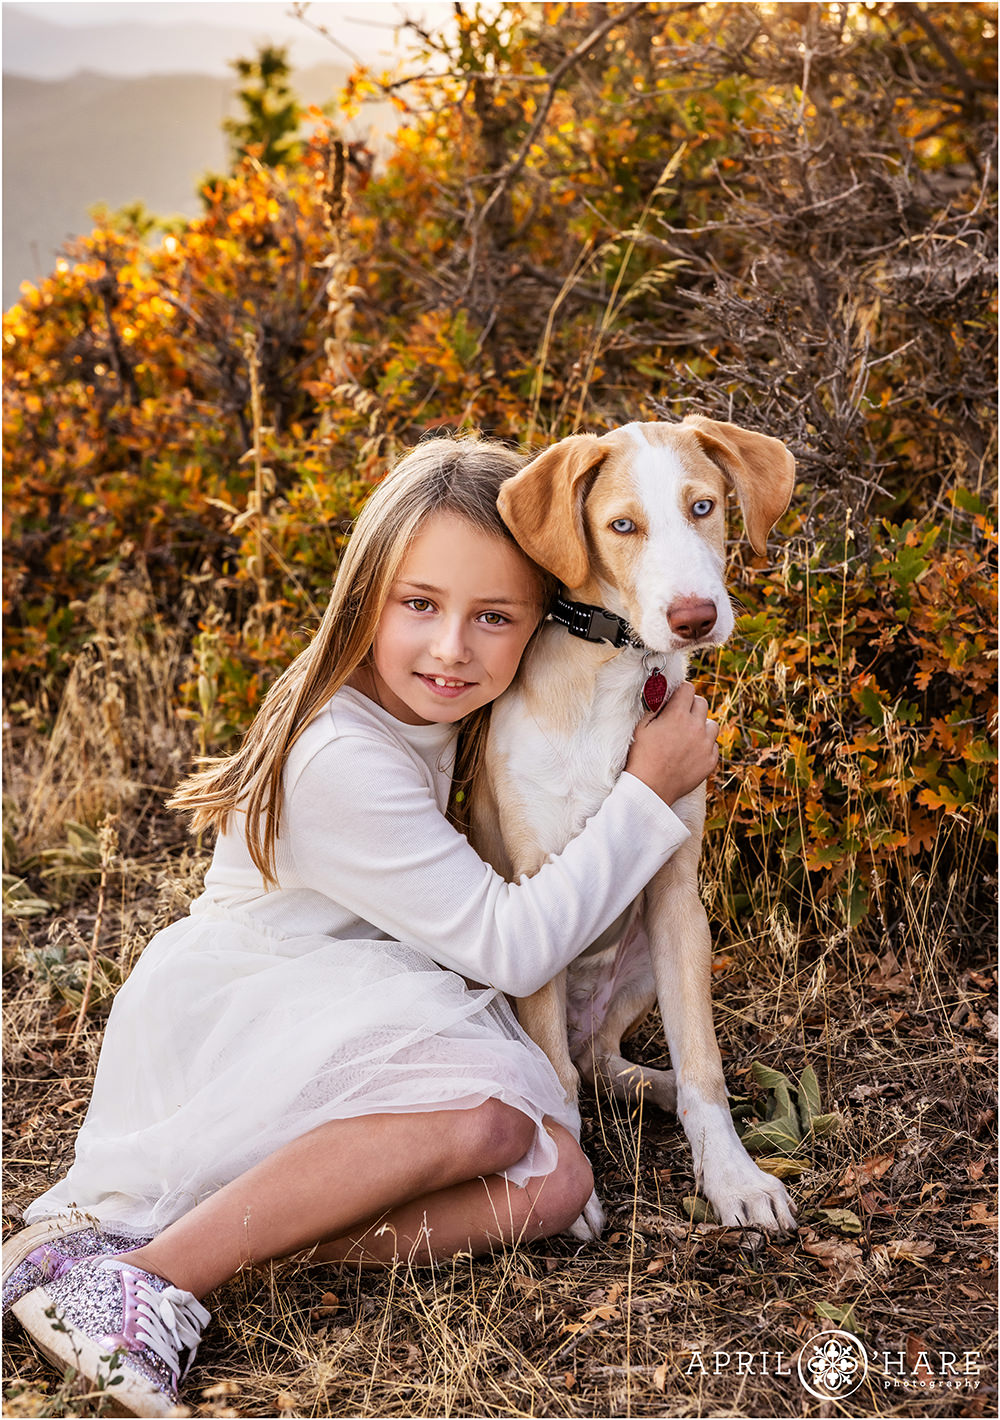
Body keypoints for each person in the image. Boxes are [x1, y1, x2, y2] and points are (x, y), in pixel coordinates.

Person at [3, 436, 720, 1417]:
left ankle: (183, 1240)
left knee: (550, 1187)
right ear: (360, 594)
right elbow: (510, 946)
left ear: (542, 619)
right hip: (254, 1010)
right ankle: (140, 1281)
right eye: (417, 604)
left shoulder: (445, 709)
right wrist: (647, 792)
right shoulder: (339, 753)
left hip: (356, 997)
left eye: (493, 617)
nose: (452, 648)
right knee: (490, 1120)